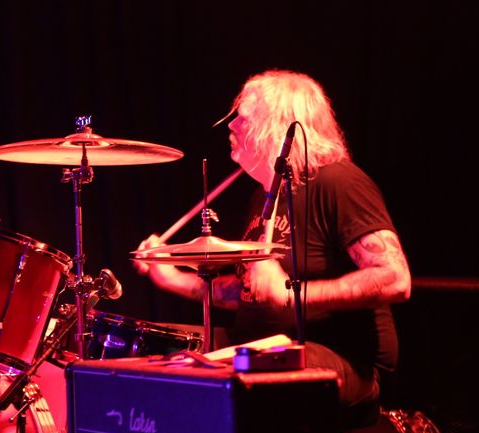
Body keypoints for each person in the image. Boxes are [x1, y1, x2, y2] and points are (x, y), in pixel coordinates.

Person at [135, 69, 411, 407]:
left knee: (243, 374)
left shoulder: (340, 183)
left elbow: (395, 279)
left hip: (341, 358)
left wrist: (290, 294)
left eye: (243, 117)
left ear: (276, 124)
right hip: (260, 347)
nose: (232, 125)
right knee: (158, 351)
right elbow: (251, 293)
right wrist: (173, 278)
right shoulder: (264, 196)